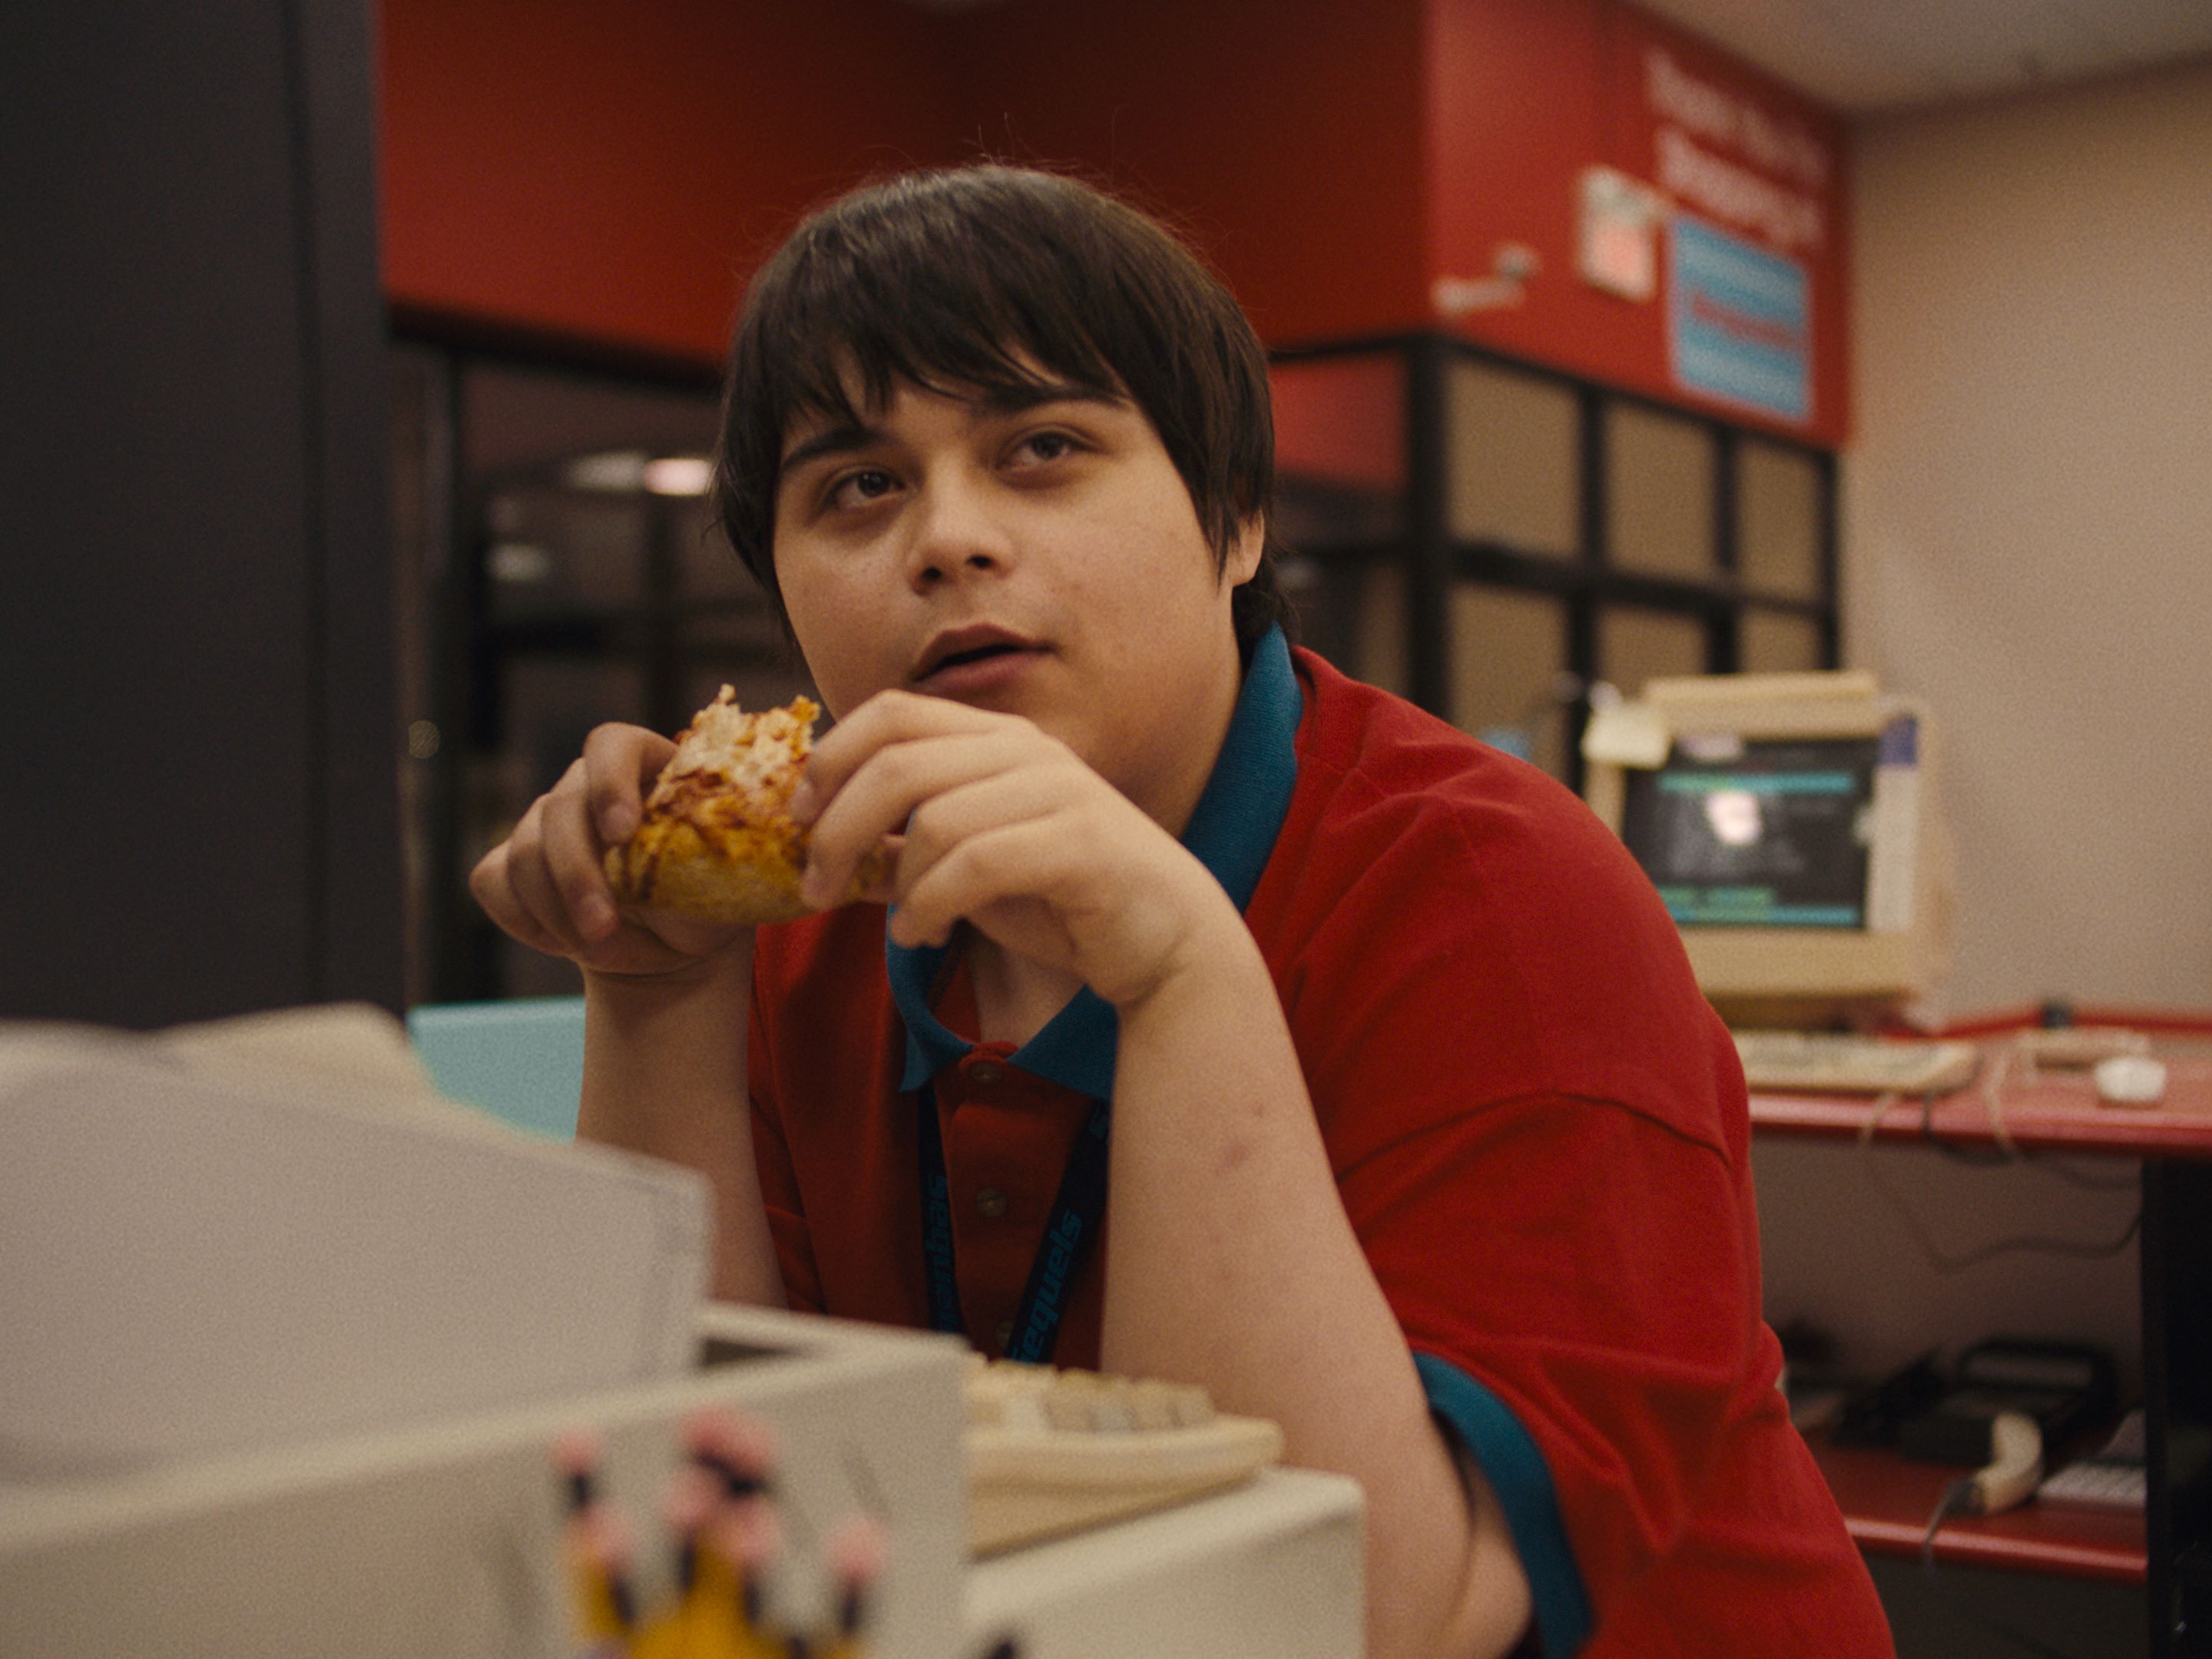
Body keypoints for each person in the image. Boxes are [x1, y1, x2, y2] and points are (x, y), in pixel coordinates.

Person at [472, 164, 1893, 1659]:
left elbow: (1353, 1619)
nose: (946, 538)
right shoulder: (805, 903)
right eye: (858, 488)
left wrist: (1180, 975)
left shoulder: (1502, 899)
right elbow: (701, 1511)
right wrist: (658, 994)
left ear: (1239, 521)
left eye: (1043, 448)